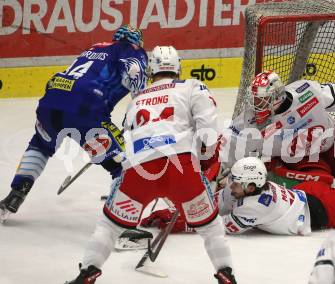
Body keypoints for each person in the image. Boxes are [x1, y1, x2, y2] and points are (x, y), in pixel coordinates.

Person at [65, 46, 237, 284]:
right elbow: (208, 130)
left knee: (109, 225)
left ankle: (88, 271)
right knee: (210, 227)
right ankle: (225, 273)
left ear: (151, 70)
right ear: (178, 67)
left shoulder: (137, 99)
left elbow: (127, 137)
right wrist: (206, 160)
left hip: (139, 171)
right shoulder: (192, 86)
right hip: (182, 169)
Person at [0, 24, 148, 222]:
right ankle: (121, 221)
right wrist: (140, 109)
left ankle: (16, 194)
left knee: (41, 145)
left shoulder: (95, 47)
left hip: (50, 103)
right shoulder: (133, 50)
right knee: (121, 164)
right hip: (85, 111)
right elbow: (134, 71)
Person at [144, 156, 335, 235]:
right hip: (303, 194)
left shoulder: (254, 207)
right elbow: (214, 204)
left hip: (324, 210)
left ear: (250, 187)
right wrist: (184, 207)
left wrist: (178, 223)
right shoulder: (245, 189)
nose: (230, 184)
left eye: (235, 182)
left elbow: (216, 225)